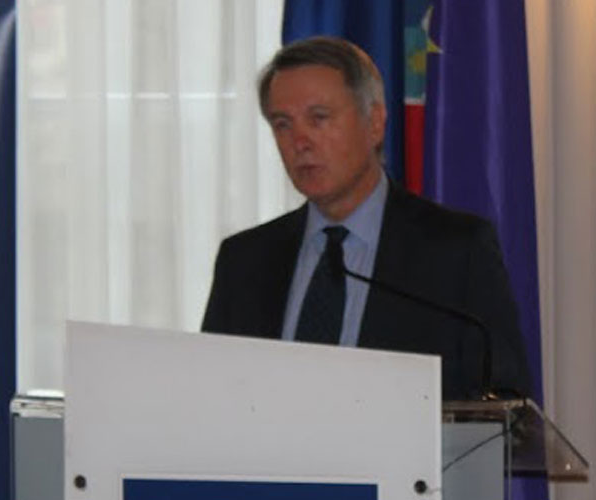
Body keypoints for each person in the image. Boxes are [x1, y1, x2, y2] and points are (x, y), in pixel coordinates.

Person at [201, 36, 530, 400]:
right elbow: (212, 397)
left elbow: (503, 405)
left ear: (374, 122)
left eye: (319, 118)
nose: (300, 141)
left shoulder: (456, 252)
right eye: (283, 124)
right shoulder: (244, 261)